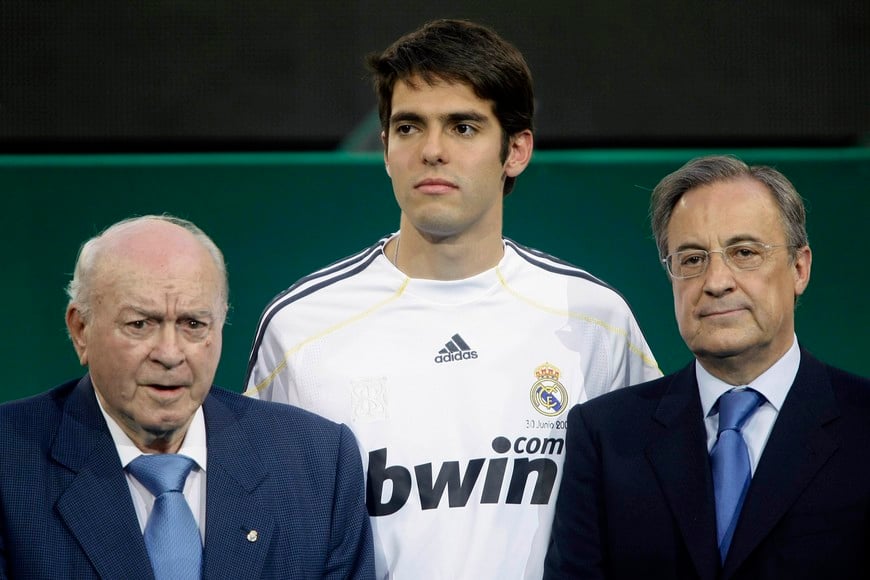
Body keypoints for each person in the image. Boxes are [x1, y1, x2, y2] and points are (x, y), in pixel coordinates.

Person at [244, 19, 660, 578]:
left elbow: (652, 515)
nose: (432, 150)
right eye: (410, 127)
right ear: (385, 146)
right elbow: (264, 529)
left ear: (516, 151)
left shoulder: (595, 319)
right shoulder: (298, 328)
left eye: (463, 127)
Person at [544, 154, 870, 579]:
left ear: (799, 267)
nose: (716, 282)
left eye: (744, 252)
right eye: (692, 259)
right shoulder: (606, 435)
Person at [0, 215, 375, 579]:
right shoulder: (11, 463)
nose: (169, 353)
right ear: (81, 330)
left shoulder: (316, 464)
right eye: (140, 324)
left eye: (193, 324)